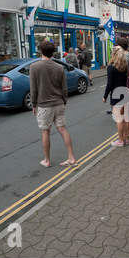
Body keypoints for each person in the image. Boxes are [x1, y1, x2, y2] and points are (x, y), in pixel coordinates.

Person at [30, 40, 78, 168]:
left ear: (41, 51)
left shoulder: (34, 67)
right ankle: (71, 157)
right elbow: (64, 88)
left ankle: (47, 160)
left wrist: (34, 105)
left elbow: (33, 89)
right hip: (59, 103)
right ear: (53, 52)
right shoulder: (59, 67)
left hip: (44, 105)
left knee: (45, 132)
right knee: (62, 129)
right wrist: (64, 101)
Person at [103, 46, 129, 147]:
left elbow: (109, 84)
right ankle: (126, 139)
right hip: (126, 93)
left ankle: (120, 141)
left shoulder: (111, 67)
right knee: (125, 118)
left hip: (117, 95)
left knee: (119, 119)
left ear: (113, 54)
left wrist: (105, 96)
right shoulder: (126, 65)